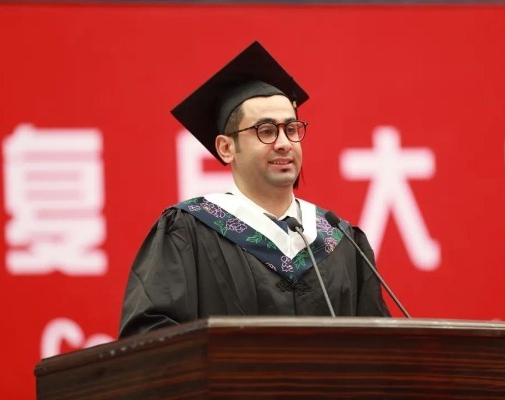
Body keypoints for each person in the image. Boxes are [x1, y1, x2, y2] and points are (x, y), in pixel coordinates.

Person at [119, 41, 390, 338]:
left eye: (291, 129)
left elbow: (379, 345)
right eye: (266, 131)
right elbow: (149, 340)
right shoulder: (189, 231)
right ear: (226, 148)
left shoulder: (340, 240)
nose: (284, 143)